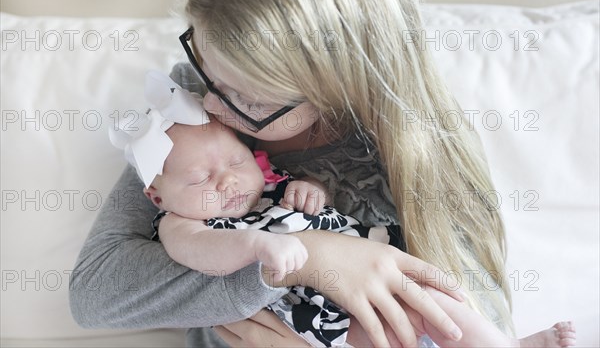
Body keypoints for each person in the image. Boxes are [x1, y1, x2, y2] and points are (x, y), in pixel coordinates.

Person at [69, 0, 571, 346]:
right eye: (203, 61)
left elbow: (463, 319)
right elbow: (95, 294)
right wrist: (311, 256)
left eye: (249, 97)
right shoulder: (193, 108)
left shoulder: (417, 144)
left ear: (337, 85)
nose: (216, 109)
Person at [113, 73, 575, 348]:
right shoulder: (180, 222)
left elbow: (310, 201)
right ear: (158, 197)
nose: (226, 181)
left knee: (434, 305)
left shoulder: (270, 184)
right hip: (317, 320)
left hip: (373, 285)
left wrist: (309, 192)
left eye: (235, 163)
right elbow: (203, 253)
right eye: (198, 180)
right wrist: (263, 247)